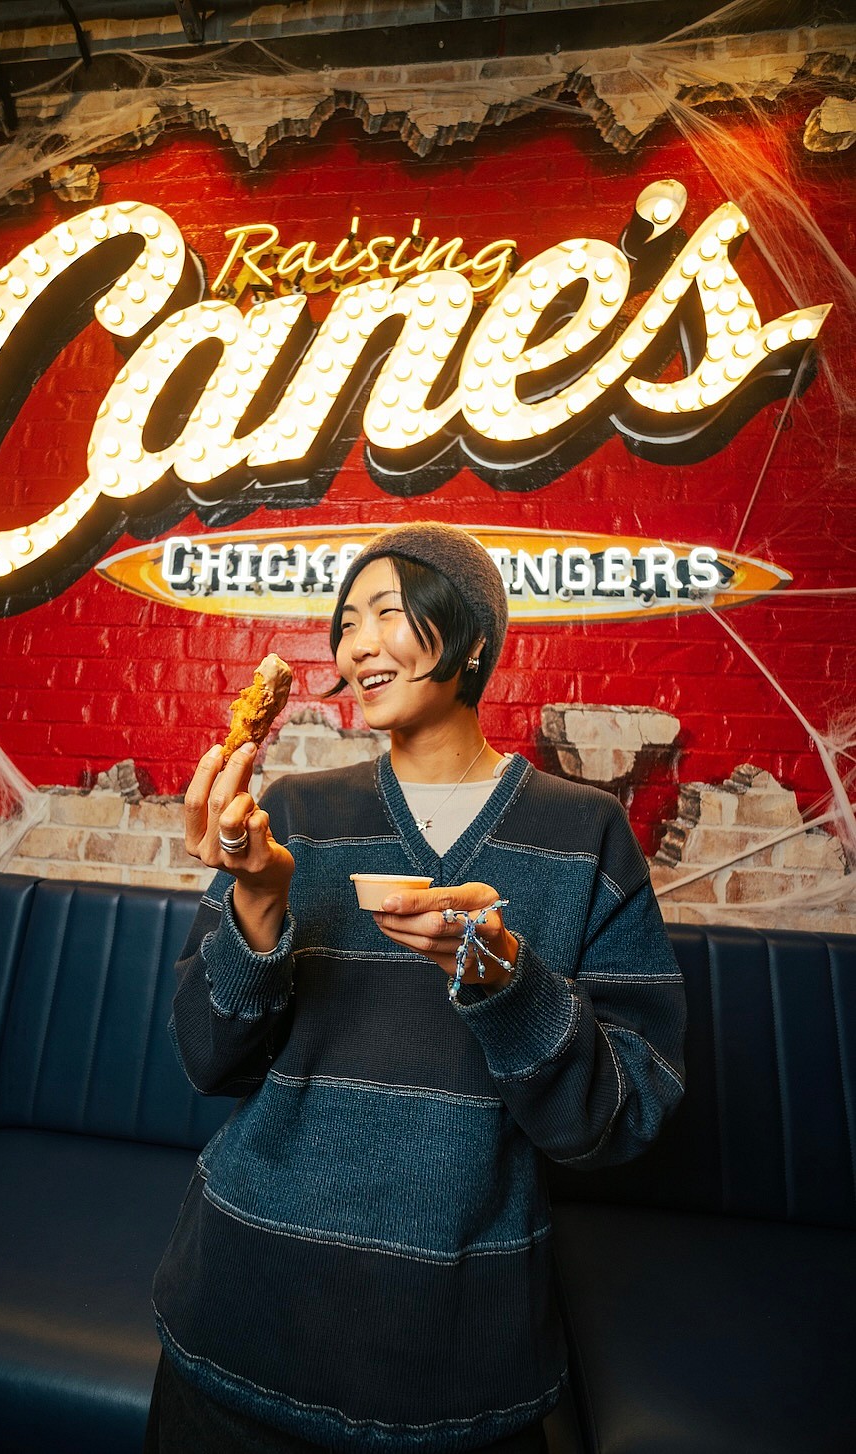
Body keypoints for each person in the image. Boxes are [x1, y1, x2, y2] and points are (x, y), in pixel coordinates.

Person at [148, 521, 686, 1454]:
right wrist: (259, 904)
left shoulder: (587, 833)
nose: (356, 642)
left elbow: (623, 1114)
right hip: (239, 1308)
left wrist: (499, 976)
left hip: (454, 1351)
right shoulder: (295, 813)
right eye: (347, 619)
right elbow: (204, 1058)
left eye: (389, 611)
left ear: (474, 638)